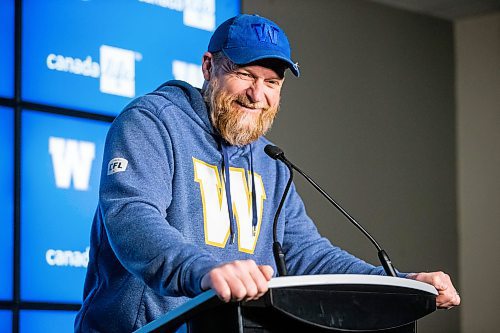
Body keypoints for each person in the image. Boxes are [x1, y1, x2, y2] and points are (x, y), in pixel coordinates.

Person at [75, 14, 460, 332]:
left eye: (272, 82)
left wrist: (396, 284)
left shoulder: (268, 160)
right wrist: (206, 271)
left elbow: (307, 253)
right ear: (209, 67)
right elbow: (132, 218)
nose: (257, 95)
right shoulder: (152, 122)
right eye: (245, 74)